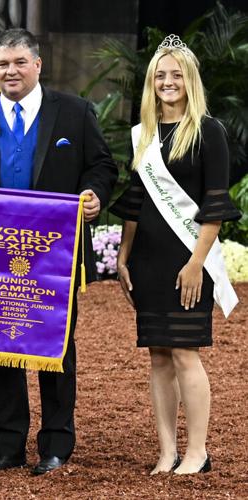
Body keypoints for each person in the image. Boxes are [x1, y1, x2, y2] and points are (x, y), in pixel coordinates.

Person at [0, 28, 117, 476]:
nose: (10, 71)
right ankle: (9, 445)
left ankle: (56, 445)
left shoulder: (74, 114)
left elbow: (101, 165)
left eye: (19, 62)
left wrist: (94, 193)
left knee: (55, 344)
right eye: (2, 64)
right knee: (2, 347)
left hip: (54, 256)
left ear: (38, 65)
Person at [111, 35, 238, 476]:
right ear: (151, 83)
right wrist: (123, 258)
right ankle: (167, 451)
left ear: (190, 81)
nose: (168, 81)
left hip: (188, 260)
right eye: (160, 75)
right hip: (147, 259)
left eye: (176, 74)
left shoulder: (209, 130)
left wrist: (196, 263)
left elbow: (215, 205)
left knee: (186, 352)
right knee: (158, 355)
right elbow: (134, 202)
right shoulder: (143, 135)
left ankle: (197, 451)